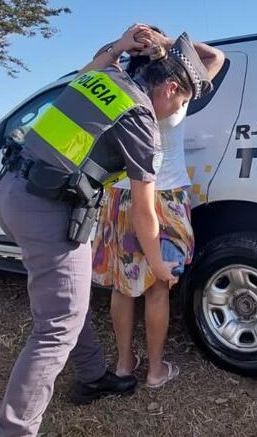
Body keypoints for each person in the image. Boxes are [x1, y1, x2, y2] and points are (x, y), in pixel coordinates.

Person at [0, 24, 216, 436]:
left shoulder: (105, 76)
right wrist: (160, 268)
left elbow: (86, 71)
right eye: (181, 100)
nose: (177, 109)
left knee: (68, 300)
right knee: (57, 326)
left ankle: (94, 375)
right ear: (168, 88)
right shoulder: (141, 121)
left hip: (12, 190)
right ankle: (14, 429)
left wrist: (118, 45)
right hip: (47, 210)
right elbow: (146, 214)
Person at [92, 28, 225, 388]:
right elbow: (216, 58)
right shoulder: (177, 89)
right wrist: (170, 44)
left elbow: (89, 72)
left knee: (122, 287)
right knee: (157, 287)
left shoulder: (122, 88)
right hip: (167, 198)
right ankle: (154, 370)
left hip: (121, 196)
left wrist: (119, 44)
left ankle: (123, 365)